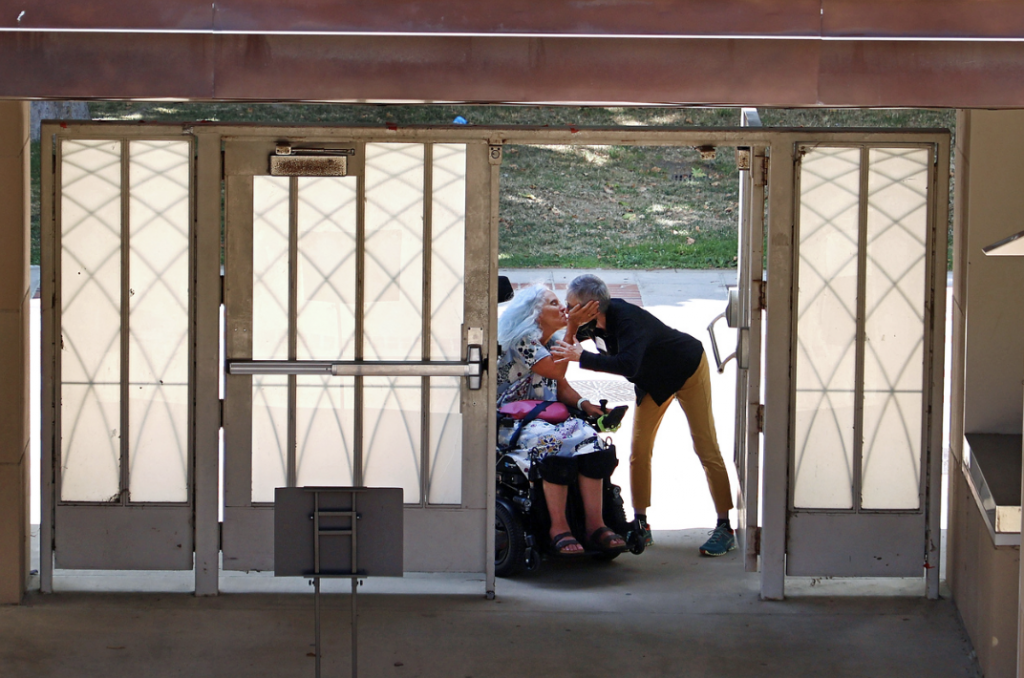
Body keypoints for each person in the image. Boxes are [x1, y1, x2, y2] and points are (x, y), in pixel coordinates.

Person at [550, 274, 736, 557]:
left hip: (687, 367)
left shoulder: (627, 319)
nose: (567, 310)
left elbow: (628, 365)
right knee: (639, 450)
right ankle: (640, 523)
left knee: (705, 445)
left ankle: (725, 526)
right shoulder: (588, 323)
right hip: (653, 381)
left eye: (572, 305)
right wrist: (573, 325)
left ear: (593, 306)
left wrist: (583, 358)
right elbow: (564, 350)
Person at [497, 284, 626, 556]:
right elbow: (554, 370)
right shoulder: (524, 340)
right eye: (554, 303)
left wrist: (587, 406)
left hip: (546, 415)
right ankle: (558, 527)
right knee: (553, 443)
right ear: (535, 314)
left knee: (590, 440)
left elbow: (561, 385)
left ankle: (595, 524)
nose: (563, 308)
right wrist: (572, 328)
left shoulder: (552, 341)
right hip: (513, 421)